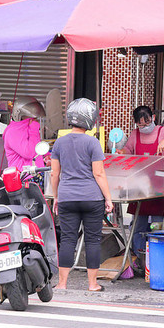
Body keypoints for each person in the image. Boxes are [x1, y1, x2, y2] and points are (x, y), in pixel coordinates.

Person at [51, 98, 114, 292]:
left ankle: (62, 284)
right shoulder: (93, 143)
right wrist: (108, 198)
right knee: (93, 239)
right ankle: (92, 284)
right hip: (92, 198)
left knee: (68, 239)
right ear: (90, 119)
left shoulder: (59, 143)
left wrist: (56, 197)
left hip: (67, 197)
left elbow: (54, 173)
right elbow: (99, 173)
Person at [116, 106, 164, 258]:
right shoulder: (135, 134)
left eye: (147, 123)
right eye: (141, 125)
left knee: (158, 224)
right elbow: (128, 149)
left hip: (160, 184)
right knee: (139, 224)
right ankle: (138, 258)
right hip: (140, 185)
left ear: (153, 117)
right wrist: (121, 153)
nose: (145, 127)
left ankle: (159, 257)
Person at [2, 95, 46, 170]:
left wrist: (46, 155)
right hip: (22, 177)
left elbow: (36, 147)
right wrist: (34, 130)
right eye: (30, 116)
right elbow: (29, 153)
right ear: (20, 116)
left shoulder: (29, 128)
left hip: (35, 173)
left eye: (35, 117)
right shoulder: (12, 132)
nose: (34, 119)